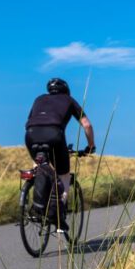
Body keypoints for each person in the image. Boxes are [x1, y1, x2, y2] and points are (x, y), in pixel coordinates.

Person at [25, 77, 96, 232]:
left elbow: (30, 120)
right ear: (66, 90)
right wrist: (90, 146)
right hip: (54, 134)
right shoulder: (69, 100)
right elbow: (87, 125)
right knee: (64, 174)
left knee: (40, 164)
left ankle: (37, 206)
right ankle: (57, 213)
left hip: (31, 134)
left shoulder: (39, 99)